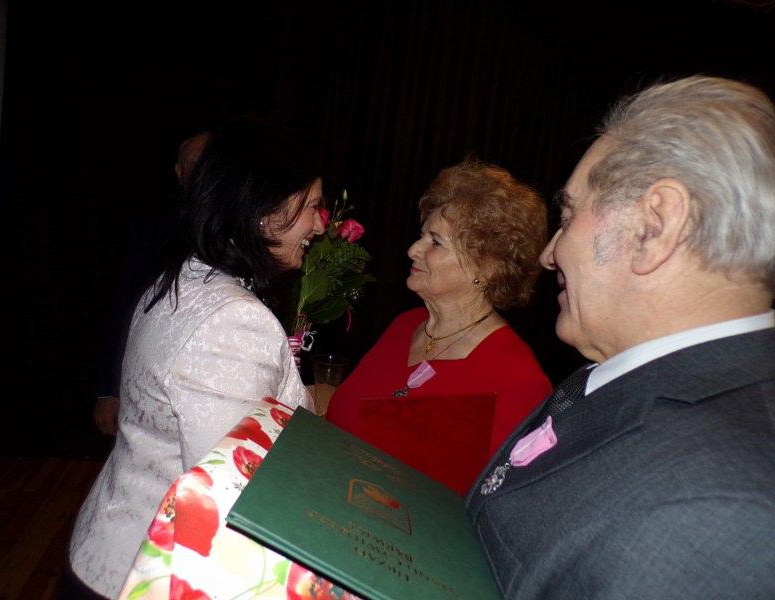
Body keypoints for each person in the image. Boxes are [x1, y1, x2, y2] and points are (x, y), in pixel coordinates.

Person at [467, 76, 775, 599]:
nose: (548, 254)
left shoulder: (721, 512)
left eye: (569, 215)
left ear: (655, 226)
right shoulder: (630, 374)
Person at [67, 118, 325, 599]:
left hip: (117, 543)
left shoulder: (188, 277)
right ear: (263, 212)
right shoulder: (231, 320)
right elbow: (233, 495)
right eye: (311, 206)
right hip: (156, 572)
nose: (319, 224)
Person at [327, 160, 552, 495]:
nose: (412, 250)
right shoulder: (405, 325)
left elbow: (500, 502)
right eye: (422, 235)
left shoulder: (518, 380)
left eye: (435, 242)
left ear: (487, 268)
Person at [93, 130, 212, 436]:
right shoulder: (152, 229)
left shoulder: (242, 232)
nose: (202, 171)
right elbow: (123, 305)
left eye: (210, 162)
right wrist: (109, 390)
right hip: (153, 387)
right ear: (179, 172)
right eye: (195, 163)